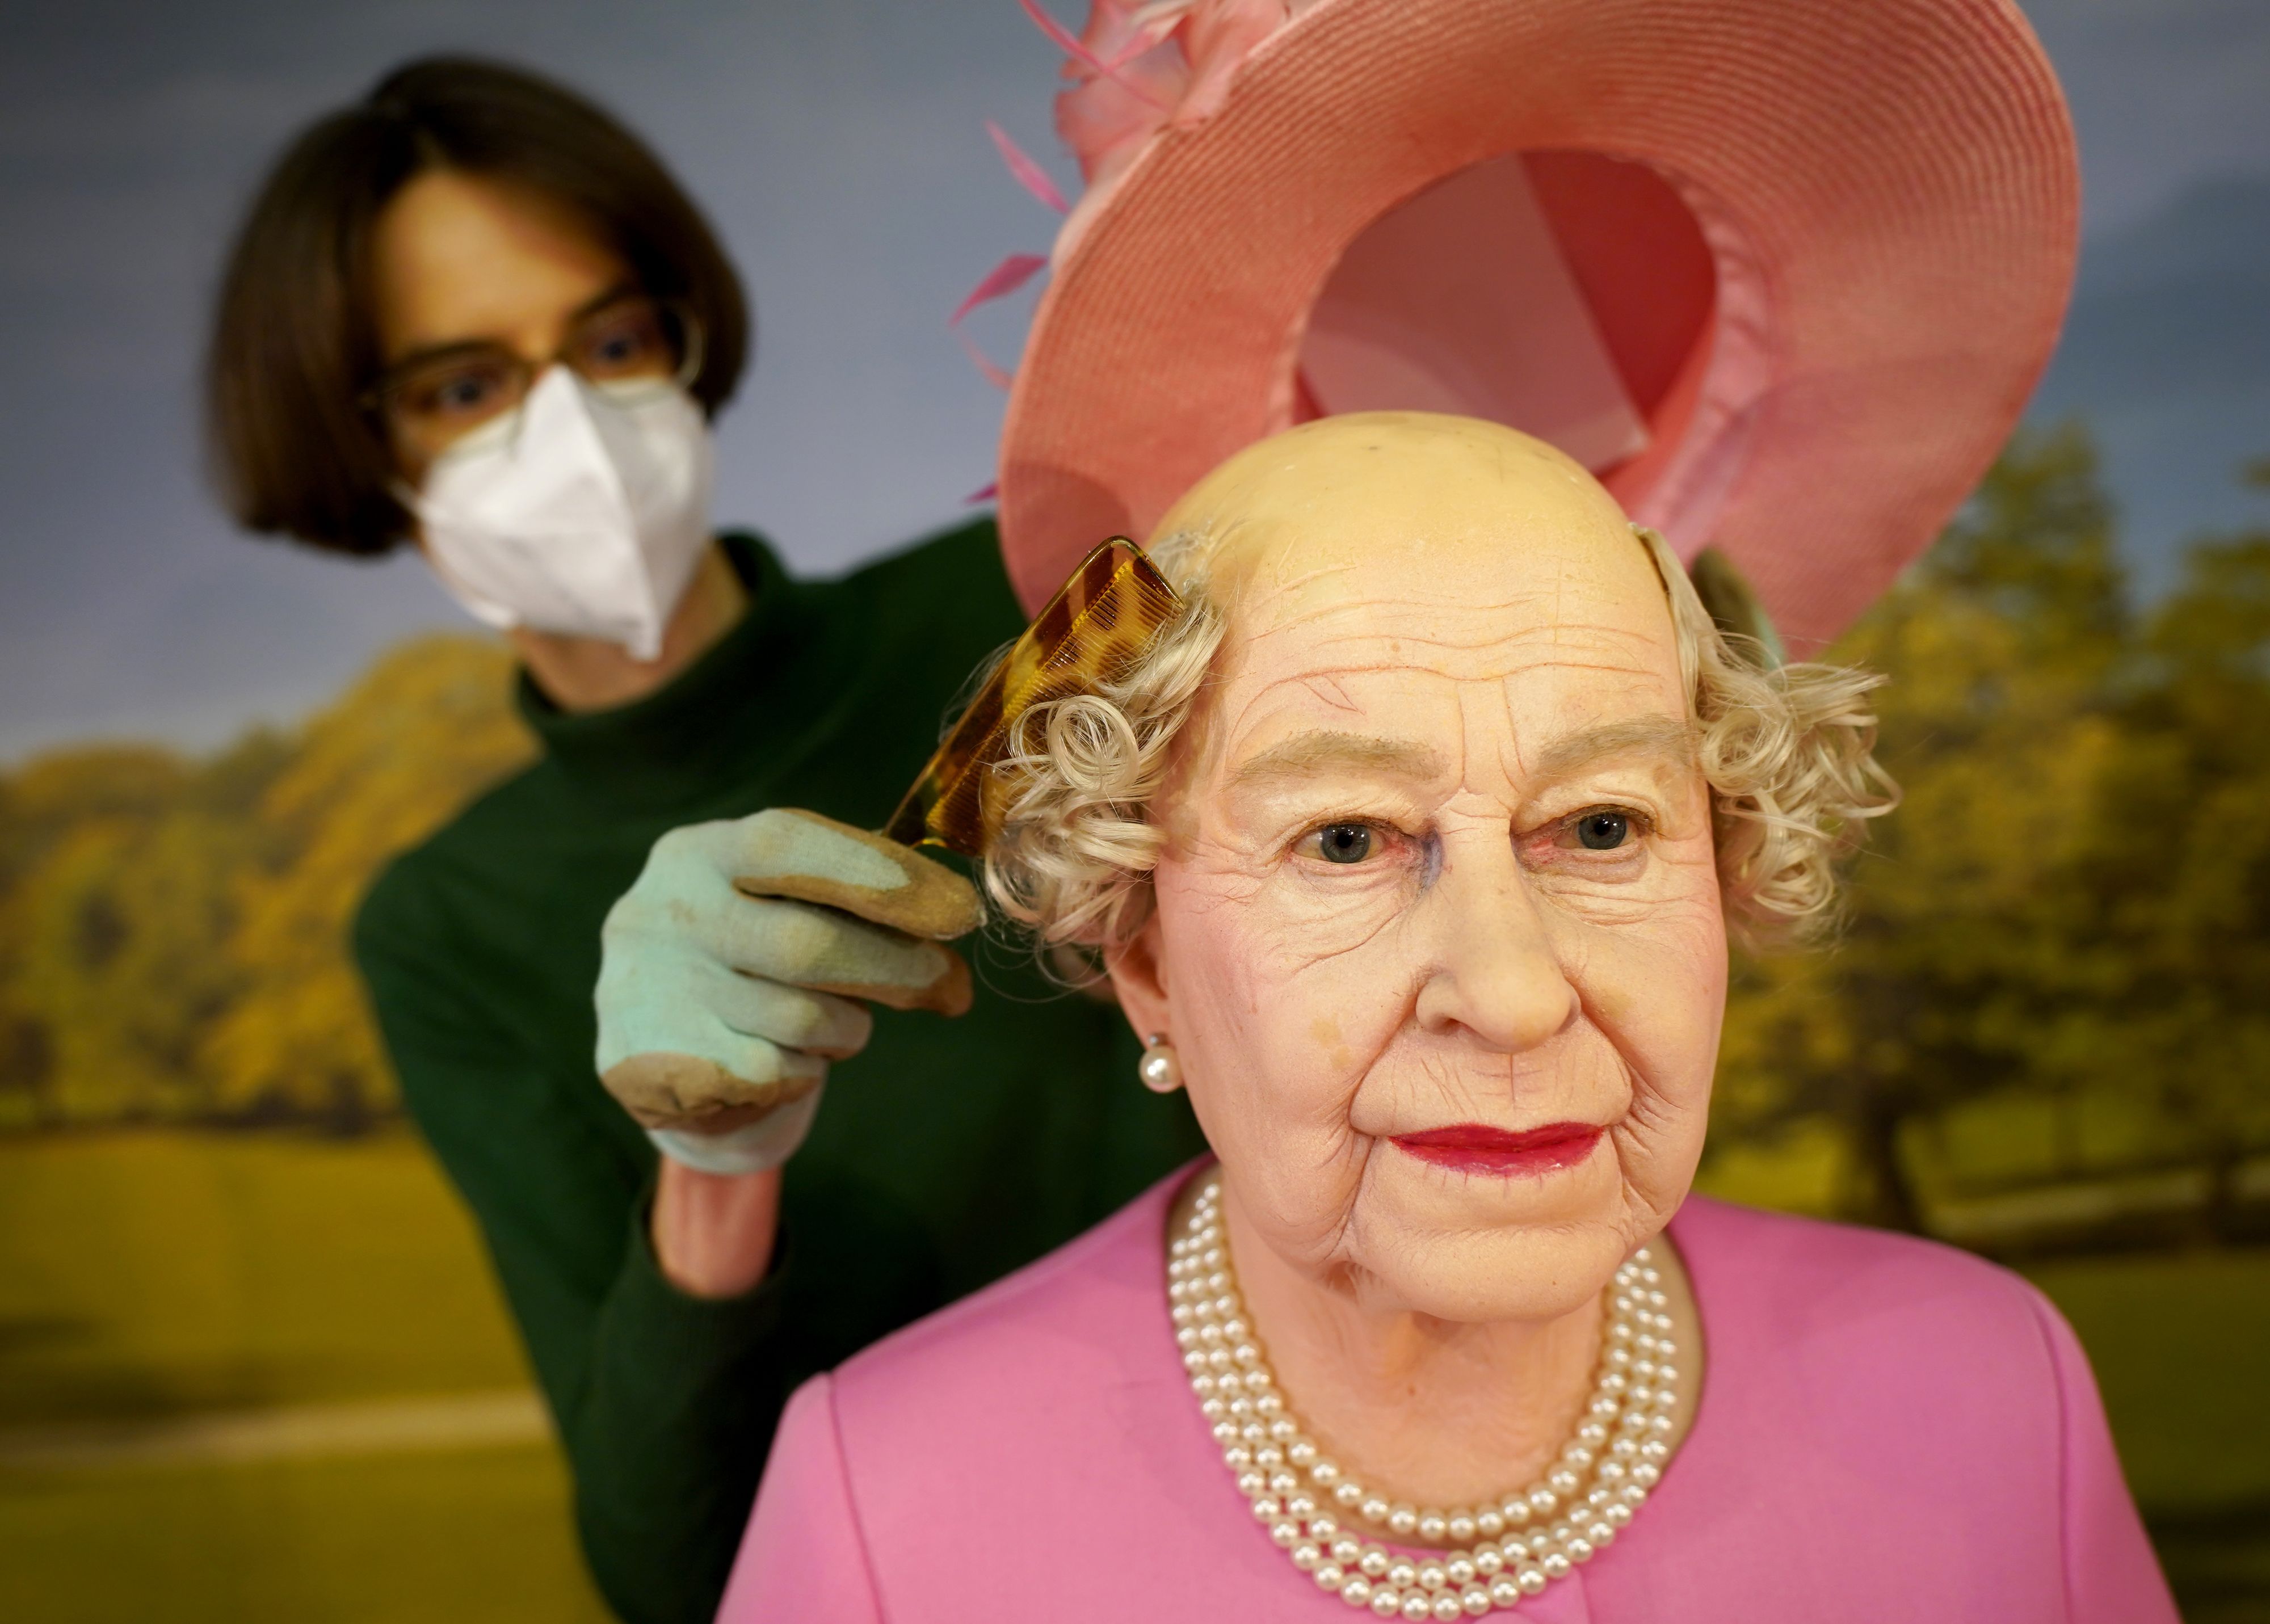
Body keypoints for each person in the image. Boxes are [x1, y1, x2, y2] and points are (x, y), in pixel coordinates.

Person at [725, 410, 2175, 1621]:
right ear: (1147, 956)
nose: (1512, 991)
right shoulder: (888, 1510)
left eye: (1601, 826)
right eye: (1346, 839)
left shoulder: (1990, 1393)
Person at [203, 57, 1205, 1624]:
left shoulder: (1037, 598)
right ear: (367, 453)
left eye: (609, 343)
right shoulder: (445, 924)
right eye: (466, 384)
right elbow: (670, 1567)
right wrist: (716, 1164)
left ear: (681, 334)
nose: (573, 431)